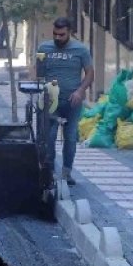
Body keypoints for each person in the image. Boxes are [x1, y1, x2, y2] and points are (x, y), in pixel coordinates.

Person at [35, 17, 95, 185]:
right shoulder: (43, 48)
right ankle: (50, 171)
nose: (58, 38)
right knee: (49, 136)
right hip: (50, 101)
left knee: (70, 137)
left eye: (61, 35)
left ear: (69, 32)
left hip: (72, 102)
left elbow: (90, 73)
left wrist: (80, 91)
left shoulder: (81, 50)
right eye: (55, 34)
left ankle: (67, 172)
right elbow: (38, 73)